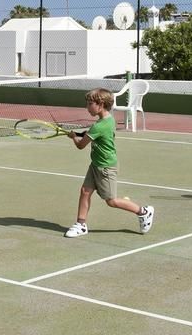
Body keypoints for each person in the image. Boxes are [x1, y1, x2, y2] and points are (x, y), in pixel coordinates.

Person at [63, 87, 154, 238]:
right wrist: (87, 134)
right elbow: (97, 135)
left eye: (89, 104)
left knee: (111, 201)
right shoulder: (108, 120)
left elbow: (80, 145)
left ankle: (144, 212)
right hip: (96, 165)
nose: (87, 107)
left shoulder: (98, 126)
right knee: (85, 192)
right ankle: (81, 224)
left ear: (100, 104)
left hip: (106, 168)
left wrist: (73, 136)